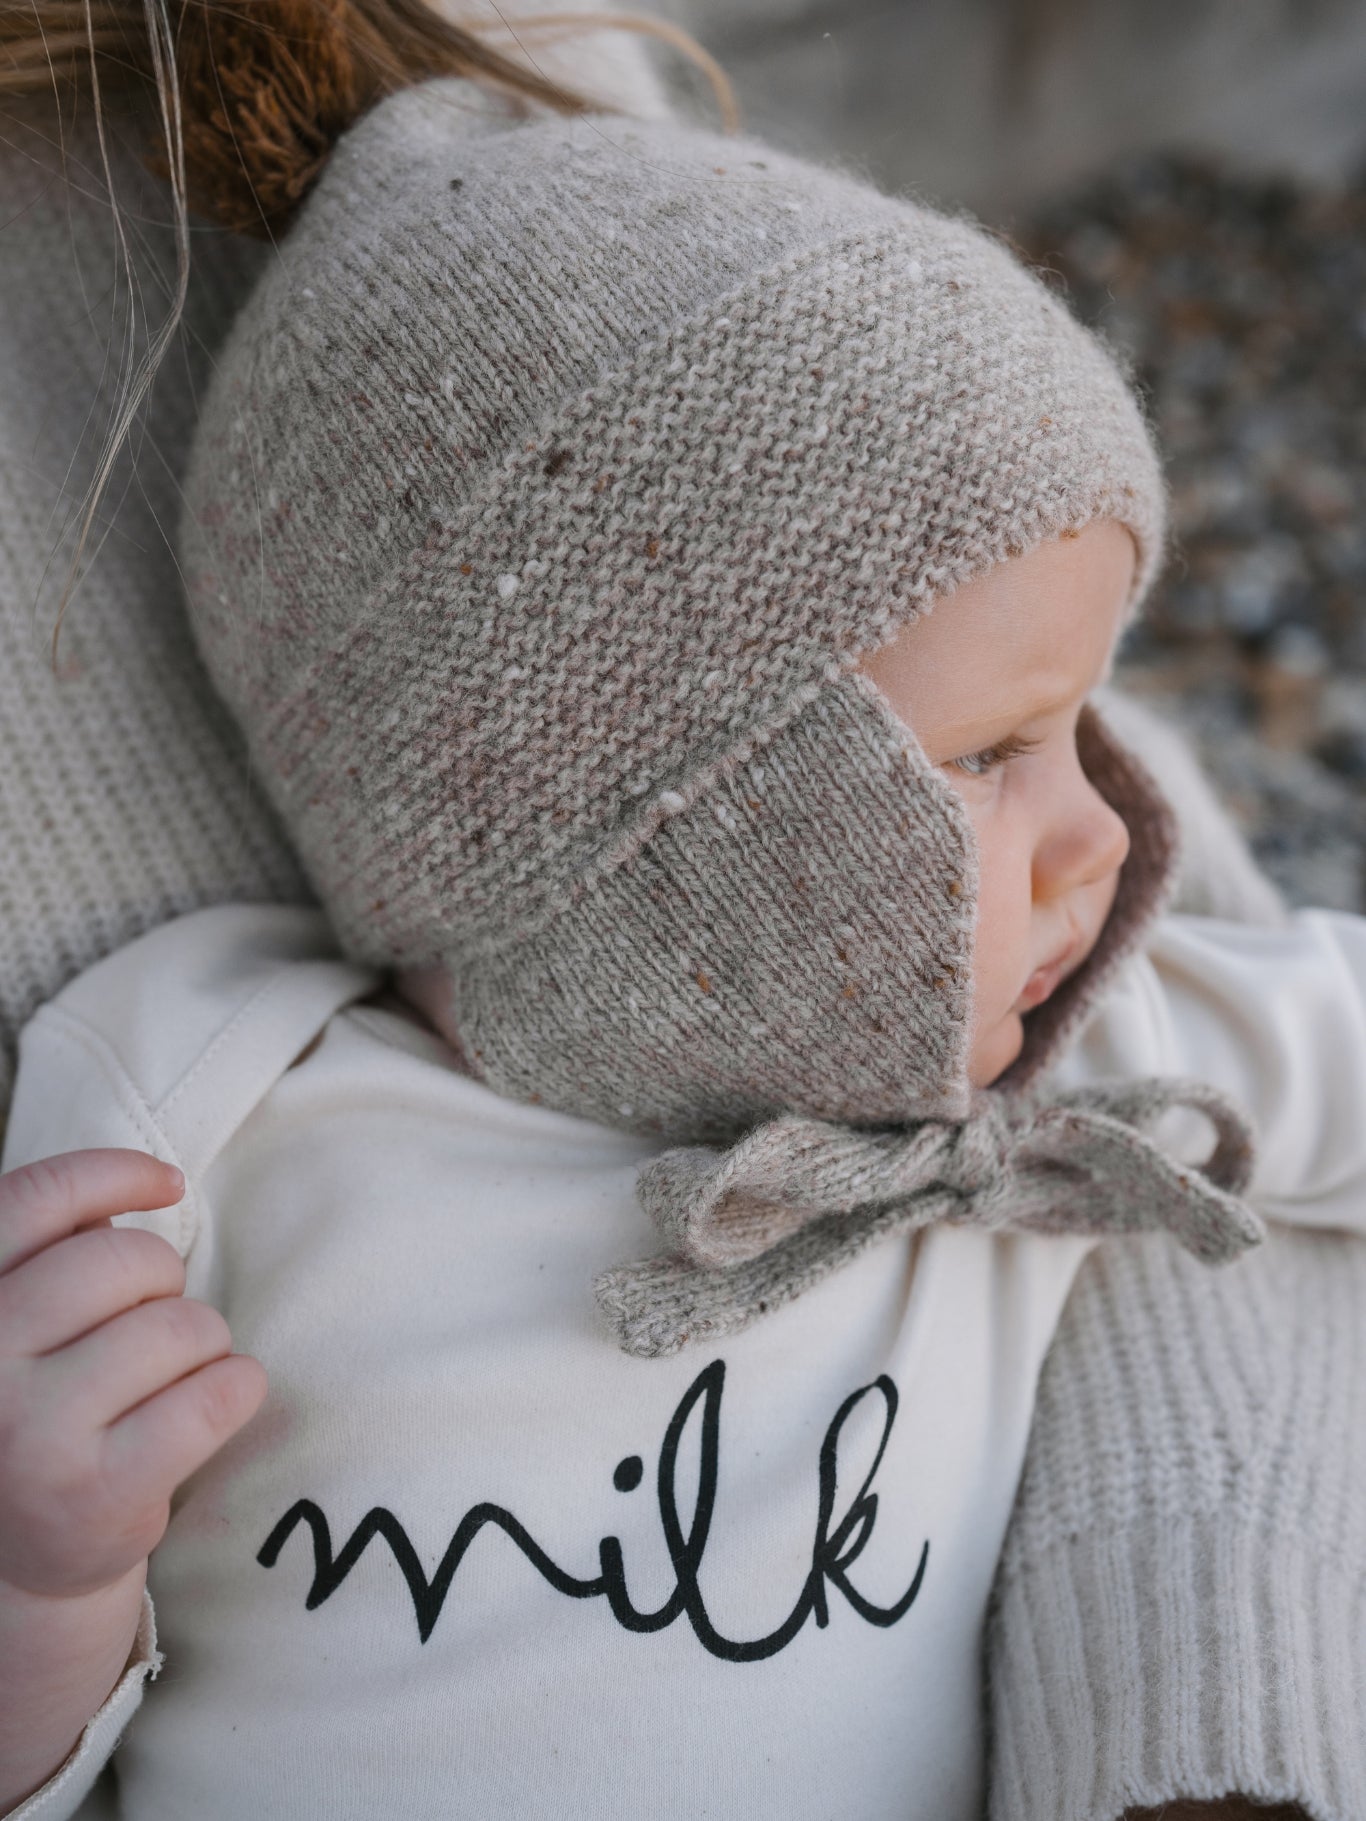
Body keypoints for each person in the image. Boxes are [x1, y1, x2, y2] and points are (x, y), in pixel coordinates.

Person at [0, 9, 1358, 1820]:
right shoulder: (215, 1109)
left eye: (1083, 727)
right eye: (992, 755)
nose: (1104, 830)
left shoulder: (1088, 1069)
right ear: (591, 803)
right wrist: (43, 1583)